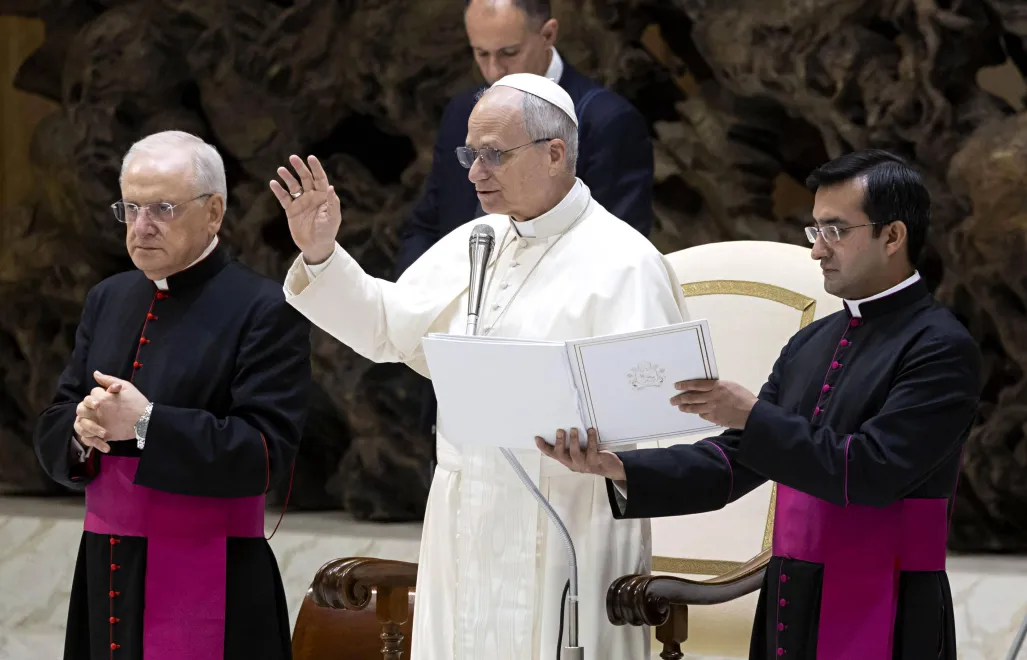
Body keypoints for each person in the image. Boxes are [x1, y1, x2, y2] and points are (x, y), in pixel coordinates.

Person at [271, 74, 686, 660]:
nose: (473, 172)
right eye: (470, 153)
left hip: (568, 514)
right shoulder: (479, 240)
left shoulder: (624, 264)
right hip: (466, 517)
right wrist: (320, 252)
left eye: (493, 154)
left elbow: (658, 413)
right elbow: (387, 328)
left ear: (555, 153)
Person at [538, 150, 983, 659]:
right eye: (814, 231)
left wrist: (753, 416)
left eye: (835, 230)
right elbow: (734, 461)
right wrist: (617, 467)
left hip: (890, 600)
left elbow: (873, 471)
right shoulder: (811, 342)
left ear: (893, 236)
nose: (817, 251)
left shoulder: (940, 347)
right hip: (791, 594)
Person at [34, 131, 312, 660]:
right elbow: (55, 417)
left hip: (213, 570)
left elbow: (266, 453)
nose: (142, 227)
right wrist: (80, 429)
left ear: (213, 213)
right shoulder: (108, 297)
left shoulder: (264, 308)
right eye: (131, 208)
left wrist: (147, 424)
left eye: (163, 208)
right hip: (106, 565)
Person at [399, 0, 657, 467]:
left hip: (553, 373)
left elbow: (613, 243)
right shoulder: (465, 110)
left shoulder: (604, 118)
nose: (493, 69)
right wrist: (426, 300)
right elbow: (431, 218)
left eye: (508, 53)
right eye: (480, 54)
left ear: (549, 34)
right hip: (467, 345)